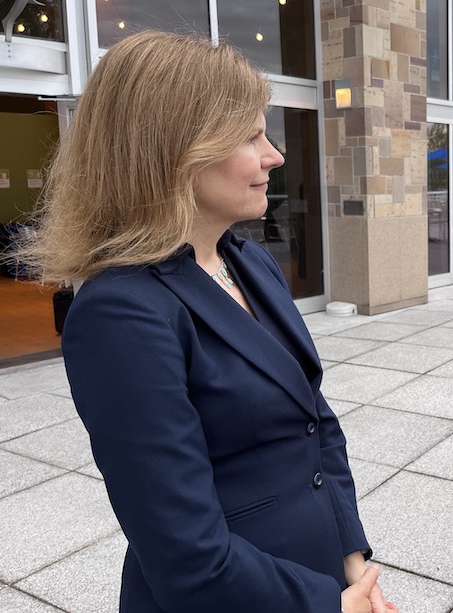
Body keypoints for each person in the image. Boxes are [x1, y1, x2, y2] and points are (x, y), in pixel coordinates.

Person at [18, 31, 397, 613]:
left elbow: (317, 422)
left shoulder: (249, 261)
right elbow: (184, 554)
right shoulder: (121, 311)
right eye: (249, 136)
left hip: (321, 573)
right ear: (173, 152)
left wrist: (351, 560)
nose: (275, 155)